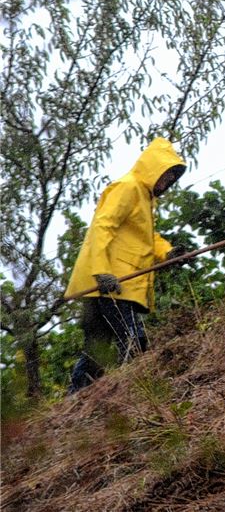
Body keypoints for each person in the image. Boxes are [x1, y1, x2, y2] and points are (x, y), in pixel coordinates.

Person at [65, 137, 187, 393]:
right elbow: (103, 225)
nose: (168, 183)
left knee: (97, 349)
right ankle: (131, 394)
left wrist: (168, 253)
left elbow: (146, 239)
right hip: (111, 283)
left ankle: (74, 404)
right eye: (166, 176)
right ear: (155, 168)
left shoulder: (144, 198)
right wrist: (101, 271)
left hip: (110, 284)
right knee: (133, 340)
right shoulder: (128, 188)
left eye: (172, 180)